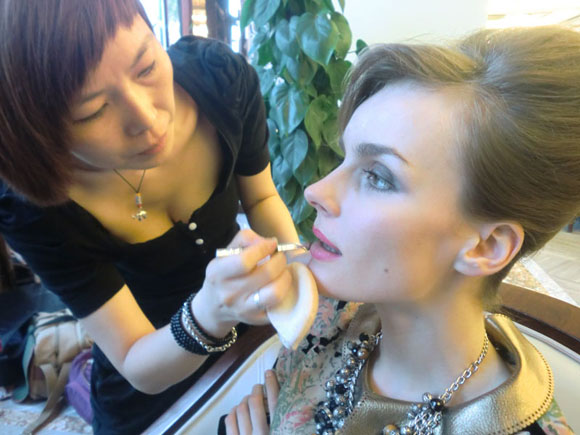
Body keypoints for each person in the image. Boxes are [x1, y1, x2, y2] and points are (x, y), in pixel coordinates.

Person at [224, 25, 579, 434]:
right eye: (344, 157)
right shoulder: (324, 319)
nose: (315, 191)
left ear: (486, 246)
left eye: (378, 176)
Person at [0, 0, 300, 433]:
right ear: (39, 128)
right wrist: (209, 313)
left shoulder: (221, 81)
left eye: (146, 67)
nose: (147, 118)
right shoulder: (33, 207)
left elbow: (262, 198)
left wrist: (297, 274)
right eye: (93, 111)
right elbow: (134, 361)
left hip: (248, 352)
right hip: (148, 390)